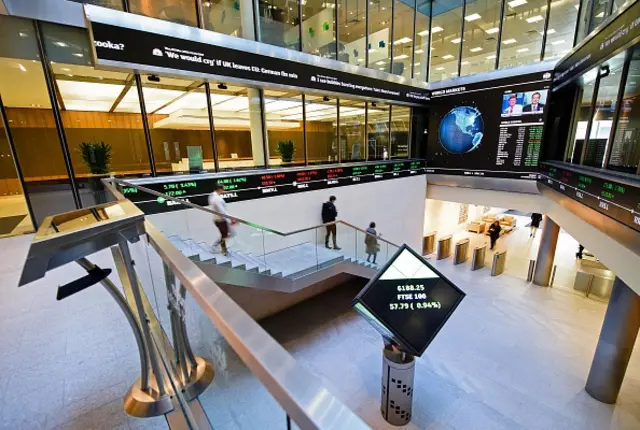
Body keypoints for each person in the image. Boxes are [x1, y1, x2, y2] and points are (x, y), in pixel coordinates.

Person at [209, 183, 231, 256]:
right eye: (222, 189)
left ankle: (223, 250)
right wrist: (231, 218)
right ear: (219, 189)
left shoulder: (212, 196)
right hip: (220, 220)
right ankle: (217, 247)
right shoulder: (217, 198)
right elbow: (222, 211)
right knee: (225, 235)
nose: (223, 191)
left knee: (224, 234)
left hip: (218, 219)